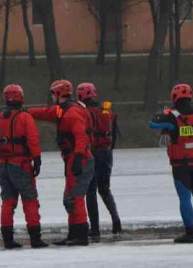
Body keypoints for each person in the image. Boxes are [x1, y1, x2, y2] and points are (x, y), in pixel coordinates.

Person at [28, 79, 95, 246]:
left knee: (76, 197)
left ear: (58, 94)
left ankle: (81, 235)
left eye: (52, 94)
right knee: (69, 197)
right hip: (72, 158)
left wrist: (78, 158)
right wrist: (27, 112)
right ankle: (73, 234)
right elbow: (46, 112)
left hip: (80, 158)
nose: (51, 97)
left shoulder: (72, 113)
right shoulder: (63, 110)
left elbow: (81, 136)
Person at [147, 83, 193, 243]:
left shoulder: (172, 116)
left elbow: (152, 123)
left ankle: (189, 234)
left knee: (185, 199)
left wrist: (164, 112)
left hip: (181, 165)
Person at [0, 84, 48, 249]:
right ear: (21, 98)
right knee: (30, 200)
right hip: (20, 164)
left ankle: (7, 239)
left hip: (3, 165)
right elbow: (33, 139)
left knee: (7, 201)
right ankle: (35, 238)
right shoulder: (25, 118)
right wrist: (37, 159)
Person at [77, 81, 122, 239]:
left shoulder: (84, 112)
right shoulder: (107, 110)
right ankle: (116, 220)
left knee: (91, 190)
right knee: (104, 189)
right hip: (107, 153)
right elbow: (114, 134)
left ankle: (94, 228)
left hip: (92, 153)